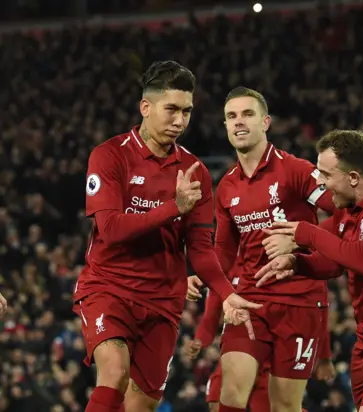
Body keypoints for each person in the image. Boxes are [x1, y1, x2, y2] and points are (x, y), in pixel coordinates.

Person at [73, 61, 260, 412]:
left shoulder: (195, 172)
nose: (180, 121)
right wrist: (173, 207)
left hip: (162, 300)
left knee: (140, 405)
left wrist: (228, 294)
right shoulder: (109, 155)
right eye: (171, 109)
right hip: (109, 287)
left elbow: (201, 251)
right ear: (146, 107)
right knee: (113, 373)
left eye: (187, 111)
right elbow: (111, 230)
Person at [255, 129, 363, 412]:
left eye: (325, 175)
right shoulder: (350, 209)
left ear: (352, 178)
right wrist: (297, 263)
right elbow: (336, 262)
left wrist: (309, 234)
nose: (319, 182)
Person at [196, 87, 336, 412]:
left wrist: (303, 236)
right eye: (231, 116)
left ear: (266, 122)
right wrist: (205, 278)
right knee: (229, 394)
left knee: (285, 406)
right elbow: (225, 251)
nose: (238, 122)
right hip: (251, 300)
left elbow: (344, 211)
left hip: (300, 302)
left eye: (247, 114)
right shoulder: (227, 186)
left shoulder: (297, 171)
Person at [186, 279, 335, 412]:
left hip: (273, 361)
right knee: (218, 401)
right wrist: (200, 339)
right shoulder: (230, 266)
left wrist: (324, 354)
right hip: (243, 342)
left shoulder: (303, 269)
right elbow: (211, 311)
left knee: (283, 405)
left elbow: (321, 300)